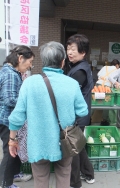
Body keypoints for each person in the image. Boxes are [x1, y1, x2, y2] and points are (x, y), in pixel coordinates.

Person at [8, 41, 88, 188]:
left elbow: (16, 117)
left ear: (43, 61)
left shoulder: (29, 83)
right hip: (64, 141)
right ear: (63, 62)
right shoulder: (71, 83)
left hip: (38, 143)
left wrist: (12, 140)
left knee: (40, 178)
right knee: (64, 174)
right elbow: (83, 111)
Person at [0, 46, 34, 188]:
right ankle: (5, 183)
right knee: (9, 151)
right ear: (20, 59)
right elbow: (10, 99)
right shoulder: (10, 74)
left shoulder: (10, 72)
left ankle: (14, 175)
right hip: (7, 120)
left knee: (14, 149)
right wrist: (28, 102)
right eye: (30, 62)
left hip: (9, 119)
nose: (30, 66)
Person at [66, 34, 95, 188]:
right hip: (81, 115)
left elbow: (70, 96)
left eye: (73, 49)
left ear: (83, 52)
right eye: (68, 48)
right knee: (78, 145)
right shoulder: (79, 67)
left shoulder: (79, 71)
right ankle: (89, 174)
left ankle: (74, 182)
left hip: (77, 116)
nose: (69, 52)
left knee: (73, 149)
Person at [96, 59, 120, 125]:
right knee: (108, 104)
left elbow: (98, 74)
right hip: (107, 87)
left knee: (95, 103)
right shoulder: (116, 70)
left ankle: (88, 118)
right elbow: (114, 81)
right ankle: (109, 122)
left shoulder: (105, 67)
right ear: (117, 65)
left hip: (98, 86)